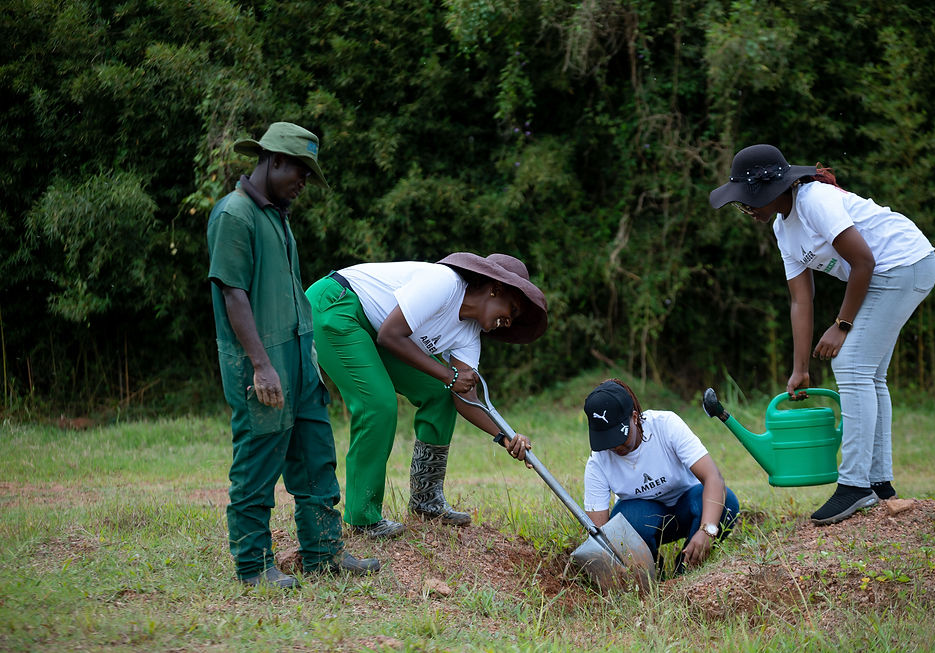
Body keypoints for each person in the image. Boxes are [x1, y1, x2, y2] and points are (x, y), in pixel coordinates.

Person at [709, 143, 935, 526]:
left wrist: (842, 325)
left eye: (748, 199)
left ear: (773, 189)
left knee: (851, 364)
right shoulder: (782, 228)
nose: (746, 208)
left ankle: (855, 484)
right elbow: (801, 300)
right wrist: (800, 369)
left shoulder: (814, 201)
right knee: (869, 374)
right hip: (884, 273)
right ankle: (879, 483)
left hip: (904, 264)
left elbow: (863, 262)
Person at [207, 122, 380, 588]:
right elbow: (233, 294)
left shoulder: (277, 216)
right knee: (258, 464)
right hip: (262, 365)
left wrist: (311, 358)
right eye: (300, 172)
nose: (303, 183)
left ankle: (324, 552)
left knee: (317, 458)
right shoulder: (235, 215)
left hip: (301, 362)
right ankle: (253, 566)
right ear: (274, 160)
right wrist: (262, 365)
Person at [306, 253, 547, 538]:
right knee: (378, 405)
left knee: (440, 394)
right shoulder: (444, 283)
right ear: (495, 288)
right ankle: (363, 518)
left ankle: (426, 500)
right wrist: (449, 376)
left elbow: (464, 396)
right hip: (338, 304)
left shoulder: (469, 335)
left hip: (377, 328)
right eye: (512, 309)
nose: (508, 322)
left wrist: (506, 436)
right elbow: (390, 335)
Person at [582, 379, 740, 577]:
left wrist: (707, 530)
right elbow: (600, 533)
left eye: (619, 437)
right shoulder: (598, 461)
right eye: (607, 440)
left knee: (727, 504)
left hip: (688, 506)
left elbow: (713, 477)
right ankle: (654, 572)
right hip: (643, 518)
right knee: (623, 526)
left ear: (634, 417)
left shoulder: (665, 425)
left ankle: (688, 568)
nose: (615, 446)